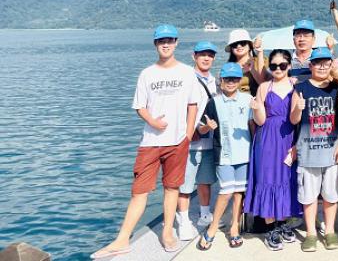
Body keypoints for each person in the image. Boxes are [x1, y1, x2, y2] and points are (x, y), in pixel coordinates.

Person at [92, 25, 198, 259]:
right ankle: (122, 239)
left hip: (178, 141)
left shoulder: (187, 72)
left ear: (176, 43)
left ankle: (167, 233)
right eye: (161, 41)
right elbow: (139, 106)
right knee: (139, 190)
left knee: (172, 187)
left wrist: (188, 134)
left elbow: (193, 104)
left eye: (170, 40)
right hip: (150, 142)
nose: (166, 44)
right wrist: (153, 121)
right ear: (155, 44)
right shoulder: (147, 74)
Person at [244, 49, 302, 250]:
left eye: (282, 65)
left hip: (287, 137)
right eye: (274, 66)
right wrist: (255, 109)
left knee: (286, 179)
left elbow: (295, 119)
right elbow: (260, 120)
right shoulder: (264, 87)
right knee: (268, 179)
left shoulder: (295, 85)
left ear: (289, 66)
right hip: (267, 138)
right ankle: (271, 229)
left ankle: (282, 223)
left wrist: (299, 108)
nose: (278, 69)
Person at [290, 47, 338, 252]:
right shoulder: (300, 88)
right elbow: (293, 120)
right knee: (309, 196)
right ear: (310, 65)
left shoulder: (335, 89)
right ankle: (311, 233)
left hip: (331, 150)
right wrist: (298, 108)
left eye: (326, 63)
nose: (322, 67)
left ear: (331, 65)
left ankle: (330, 231)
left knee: (331, 194)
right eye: (317, 63)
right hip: (308, 151)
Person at [197, 62, 254, 250]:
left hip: (245, 154)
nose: (231, 82)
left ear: (239, 80)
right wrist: (207, 127)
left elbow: (255, 123)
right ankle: (213, 227)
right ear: (221, 80)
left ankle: (234, 227)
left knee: (239, 192)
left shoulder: (248, 99)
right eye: (227, 79)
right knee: (226, 191)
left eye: (235, 79)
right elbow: (201, 128)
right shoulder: (213, 102)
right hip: (224, 155)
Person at [176, 41, 219, 241]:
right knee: (184, 185)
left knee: (205, 180)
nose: (206, 58)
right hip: (189, 141)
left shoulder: (214, 81)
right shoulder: (186, 79)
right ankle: (183, 221)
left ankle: (204, 214)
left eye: (210, 55)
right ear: (194, 56)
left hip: (209, 140)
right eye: (202, 54)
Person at [225, 28, 263, 96]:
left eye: (243, 43)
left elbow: (266, 84)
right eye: (235, 44)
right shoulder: (228, 67)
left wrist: (252, 70)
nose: (239, 46)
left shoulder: (261, 61)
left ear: (249, 45)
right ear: (231, 48)